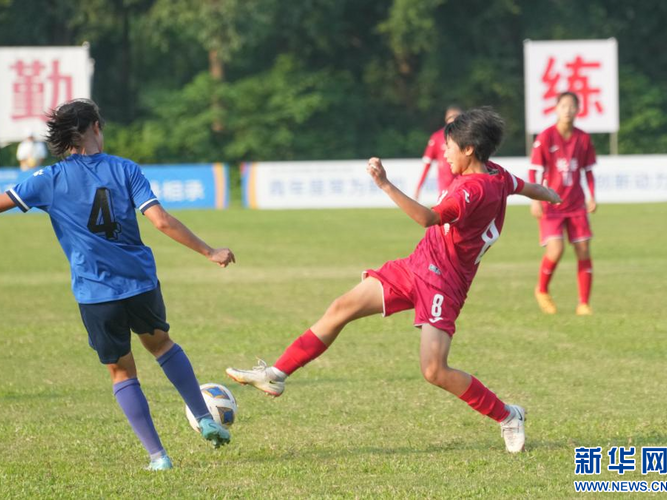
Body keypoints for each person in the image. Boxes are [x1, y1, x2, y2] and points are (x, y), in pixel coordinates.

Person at [226, 107, 562, 453]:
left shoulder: (470, 191)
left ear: (469, 149)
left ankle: (508, 415)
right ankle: (277, 375)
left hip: (444, 284)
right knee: (342, 307)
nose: (443, 153)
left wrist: (385, 184)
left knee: (434, 370)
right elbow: (526, 186)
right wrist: (549, 194)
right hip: (416, 265)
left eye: (449, 146)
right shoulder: (497, 175)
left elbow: (428, 218)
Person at [0, 98, 235, 471]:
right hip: (140, 282)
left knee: (122, 372)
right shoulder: (125, 169)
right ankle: (204, 418)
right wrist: (209, 251)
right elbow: (162, 221)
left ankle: (159, 457)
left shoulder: (49, 179)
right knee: (162, 345)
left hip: (96, 294)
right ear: (94, 127)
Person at [529, 91, 597, 316]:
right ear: (556, 109)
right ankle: (541, 289)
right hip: (551, 204)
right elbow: (535, 170)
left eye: (571, 106)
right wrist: (535, 199)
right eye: (563, 105)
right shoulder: (546, 137)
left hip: (576, 204)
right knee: (556, 249)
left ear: (578, 110)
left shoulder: (583, 138)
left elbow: (587, 170)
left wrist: (592, 195)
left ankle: (584, 303)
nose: (567, 109)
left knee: (583, 249)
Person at [414, 105, 463, 200]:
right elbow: (427, 164)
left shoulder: (467, 137)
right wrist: (419, 186)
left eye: (456, 117)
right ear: (446, 118)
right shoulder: (437, 137)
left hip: (464, 184)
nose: (453, 120)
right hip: (445, 187)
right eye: (451, 117)